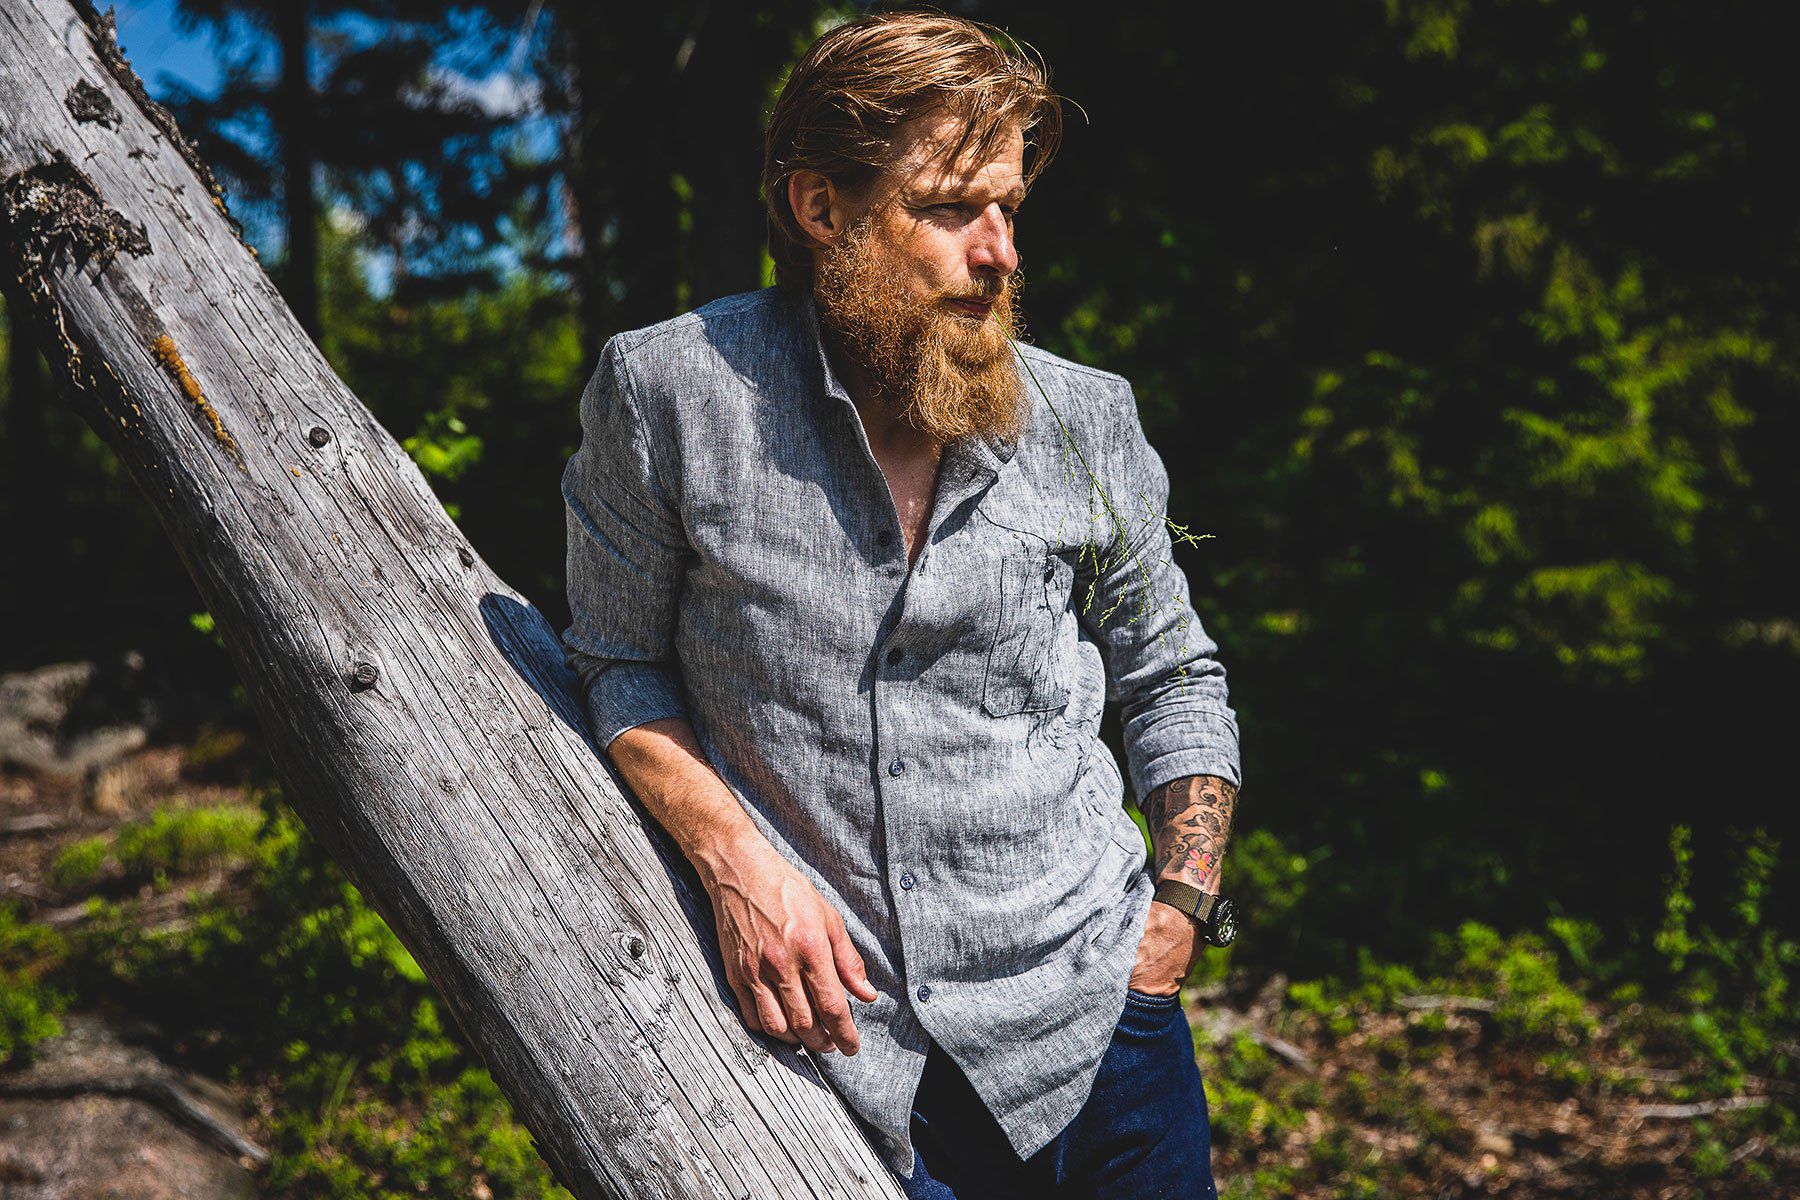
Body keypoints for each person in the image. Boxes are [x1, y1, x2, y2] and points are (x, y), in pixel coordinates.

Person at [559, 12, 1242, 1198]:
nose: (1000, 254)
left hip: (1107, 1027)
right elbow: (619, 666)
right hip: (846, 1064)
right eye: (948, 209)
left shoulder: (1088, 420)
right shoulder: (668, 394)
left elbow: (1172, 673)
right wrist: (733, 861)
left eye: (1011, 208)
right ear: (821, 209)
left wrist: (1179, 911)